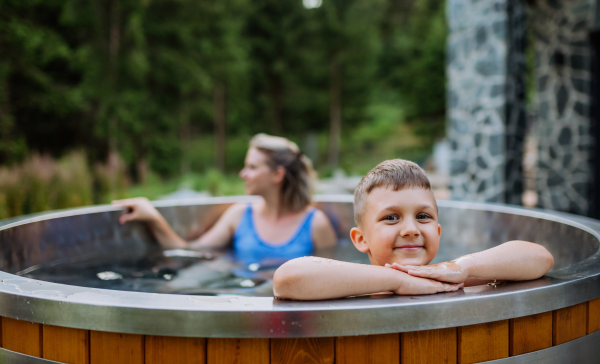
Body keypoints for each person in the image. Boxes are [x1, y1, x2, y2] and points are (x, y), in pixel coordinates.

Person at [273, 159, 554, 300]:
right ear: (360, 239)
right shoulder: (349, 286)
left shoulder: (447, 278)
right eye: (391, 218)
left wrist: (462, 266)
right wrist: (398, 281)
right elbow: (287, 277)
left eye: (422, 216)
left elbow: (539, 257)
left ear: (439, 232)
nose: (410, 229)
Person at [113, 134, 337, 263]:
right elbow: (189, 253)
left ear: (277, 175)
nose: (243, 174)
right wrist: (154, 218)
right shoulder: (240, 215)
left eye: (251, 167)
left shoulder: (315, 224)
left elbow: (330, 279)